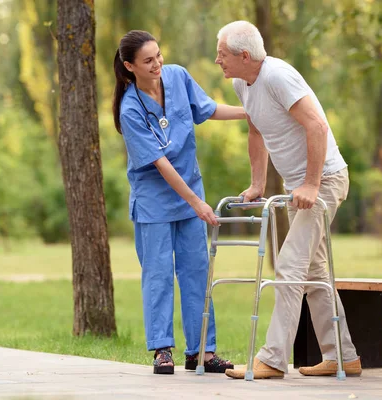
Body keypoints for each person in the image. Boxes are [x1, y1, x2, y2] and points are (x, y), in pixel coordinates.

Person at [213, 21, 362, 379]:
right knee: (312, 272)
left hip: (324, 180)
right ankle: (343, 356)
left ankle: (272, 360)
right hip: (301, 186)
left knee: (290, 265)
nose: (217, 60)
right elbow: (255, 128)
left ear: (244, 55)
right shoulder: (241, 82)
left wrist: (311, 185)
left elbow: (317, 126)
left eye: (222, 53)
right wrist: (257, 183)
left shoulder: (278, 77)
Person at [113, 30, 245, 375]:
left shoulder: (178, 76)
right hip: (155, 202)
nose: (157, 64)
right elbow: (160, 163)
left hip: (190, 197)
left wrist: (249, 113)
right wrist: (197, 203)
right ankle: (161, 350)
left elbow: (208, 109)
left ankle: (202, 351)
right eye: (147, 61)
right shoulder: (130, 108)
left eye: (158, 55)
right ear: (130, 67)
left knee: (197, 273)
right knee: (158, 276)